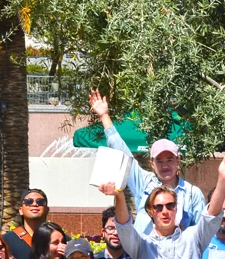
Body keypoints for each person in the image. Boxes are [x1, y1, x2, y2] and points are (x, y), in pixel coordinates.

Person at [88, 90, 207, 234]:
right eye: (159, 161)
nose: (165, 165)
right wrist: (104, 116)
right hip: (146, 248)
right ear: (152, 164)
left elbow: (202, 234)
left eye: (169, 160)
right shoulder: (143, 182)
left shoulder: (193, 194)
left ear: (178, 161)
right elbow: (121, 149)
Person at [3, 189, 51, 259]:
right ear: (20, 210)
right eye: (28, 201)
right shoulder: (6, 240)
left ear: (47, 210)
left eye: (40, 201)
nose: (34, 204)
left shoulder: (59, 239)